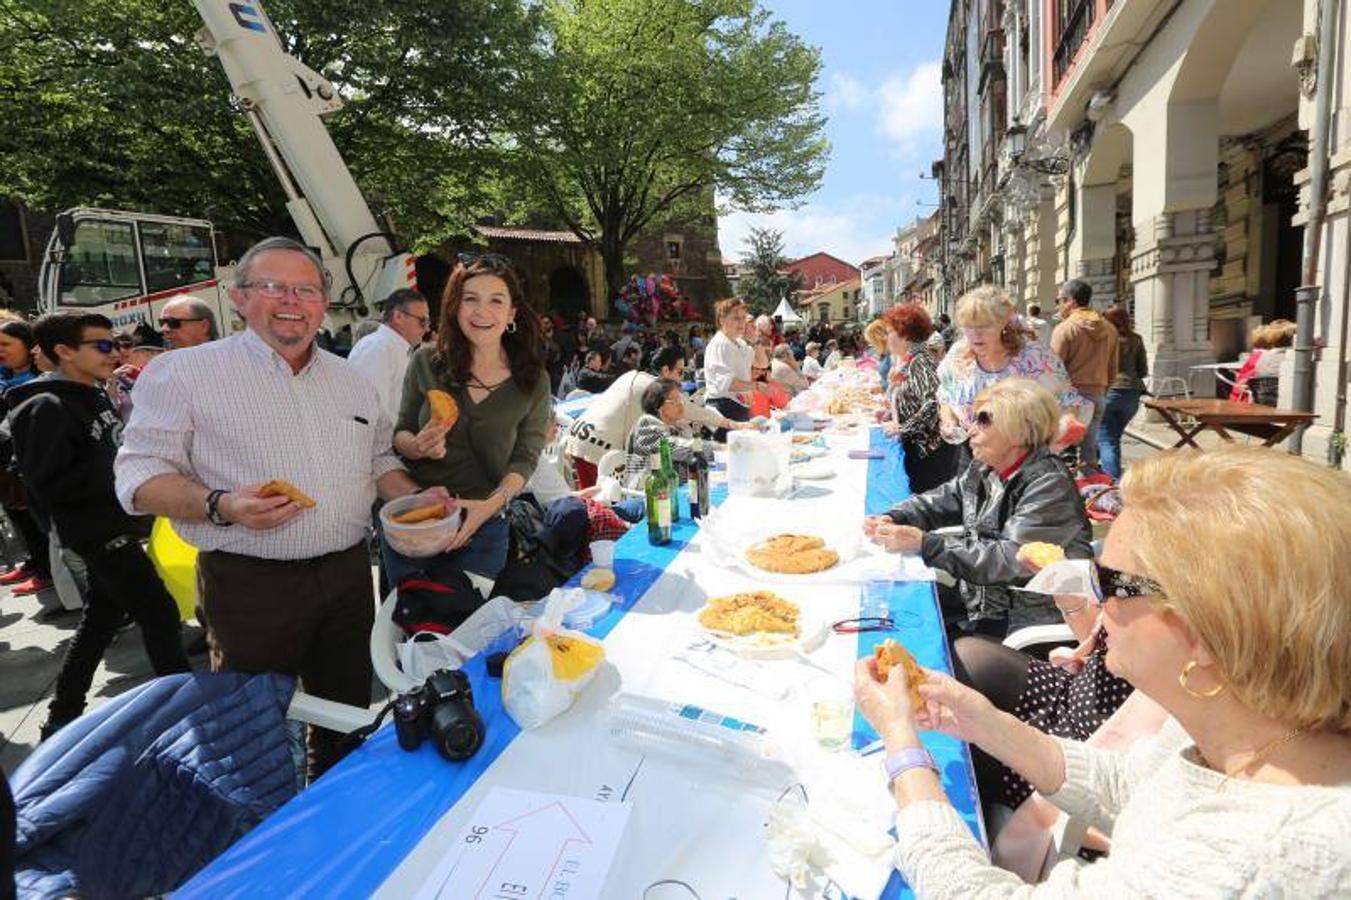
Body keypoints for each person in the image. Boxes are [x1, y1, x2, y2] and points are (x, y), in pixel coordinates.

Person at [854, 445, 1351, 898]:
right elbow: (1125, 786)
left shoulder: (1245, 860)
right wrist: (976, 719)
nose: (1092, 597)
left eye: (1107, 581)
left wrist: (903, 748)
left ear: (1198, 633)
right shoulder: (1240, 715)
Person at [115, 236, 429, 780]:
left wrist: (417, 500)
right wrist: (219, 504)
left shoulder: (350, 381)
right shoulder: (185, 373)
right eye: (272, 286)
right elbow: (138, 478)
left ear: (323, 301)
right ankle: (259, 839)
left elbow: (379, 460)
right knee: (250, 730)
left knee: (347, 718)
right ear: (238, 298)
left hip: (347, 576)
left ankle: (335, 817)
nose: (291, 300)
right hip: (249, 585)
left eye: (306, 288)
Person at [10, 313, 191, 738]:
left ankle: (62, 714)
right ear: (64, 352)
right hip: (98, 532)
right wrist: (122, 479)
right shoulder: (44, 406)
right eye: (103, 345)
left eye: (116, 343)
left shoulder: (91, 393)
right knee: (160, 613)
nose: (116, 352)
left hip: (115, 524)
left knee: (102, 619)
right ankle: (183, 708)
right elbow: (49, 483)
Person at [865, 378, 1093, 638]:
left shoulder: (1049, 483)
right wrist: (895, 516)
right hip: (981, 598)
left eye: (983, 420)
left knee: (916, 637)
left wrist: (926, 544)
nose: (971, 429)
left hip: (1026, 619)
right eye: (973, 419)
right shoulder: (986, 466)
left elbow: (1010, 560)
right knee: (892, 605)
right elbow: (945, 498)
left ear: (1019, 431)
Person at [389, 253, 550, 587]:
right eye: (471, 299)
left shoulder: (533, 379)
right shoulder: (426, 362)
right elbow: (400, 432)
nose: (482, 312)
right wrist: (417, 446)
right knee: (409, 630)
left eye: (496, 300)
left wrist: (489, 508)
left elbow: (526, 456)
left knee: (473, 630)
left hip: (486, 525)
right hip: (418, 521)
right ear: (455, 308)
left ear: (511, 314)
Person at [937, 286, 1088, 470]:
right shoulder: (958, 356)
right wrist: (949, 421)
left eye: (985, 325)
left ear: (1003, 322)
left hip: (1021, 461)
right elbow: (945, 396)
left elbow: (1067, 400)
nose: (975, 334)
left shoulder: (1033, 356)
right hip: (972, 457)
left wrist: (1065, 426)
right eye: (969, 326)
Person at [562, 346, 739, 488]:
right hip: (594, 444)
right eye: (679, 372)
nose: (682, 377)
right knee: (598, 499)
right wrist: (732, 428)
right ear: (665, 370)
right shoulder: (652, 393)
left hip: (583, 433)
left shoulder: (639, 378)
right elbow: (690, 414)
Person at [880, 303, 959, 494]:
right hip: (922, 449)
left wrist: (903, 429)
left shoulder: (920, 362)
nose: (886, 337)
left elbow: (933, 404)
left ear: (904, 335)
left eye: (889, 332)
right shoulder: (913, 359)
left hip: (929, 454)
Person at [0, 319, 52, 596]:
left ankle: (46, 570)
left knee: (33, 514)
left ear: (28, 345)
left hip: (27, 459)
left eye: (6, 344)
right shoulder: (4, 377)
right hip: (5, 461)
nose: (0, 351)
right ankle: (34, 562)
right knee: (16, 512)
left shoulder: (37, 380)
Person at [1050, 279, 1117, 469]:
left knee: (1060, 452)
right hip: (1097, 395)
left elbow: (1054, 370)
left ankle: (1065, 493)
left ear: (1070, 301)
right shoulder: (1110, 329)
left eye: (1060, 300)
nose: (1059, 306)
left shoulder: (1065, 329)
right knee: (1089, 455)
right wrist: (1102, 390)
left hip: (1068, 398)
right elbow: (1113, 367)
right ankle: (1092, 491)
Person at [346, 288, 430, 426]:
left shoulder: (393, 349)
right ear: (398, 317)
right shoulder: (378, 349)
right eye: (423, 321)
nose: (427, 329)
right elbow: (367, 415)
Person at [1098, 305, 1148, 480]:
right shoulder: (1136, 339)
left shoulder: (1104, 340)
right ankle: (1114, 476)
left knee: (1107, 439)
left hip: (1109, 390)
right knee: (1113, 438)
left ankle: (1112, 482)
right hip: (1132, 394)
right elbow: (1143, 371)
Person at [621, 379, 699, 492]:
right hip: (646, 497)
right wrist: (717, 448)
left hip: (670, 492)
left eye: (680, 399)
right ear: (658, 405)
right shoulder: (647, 425)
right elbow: (678, 448)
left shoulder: (675, 426)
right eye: (675, 400)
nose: (681, 405)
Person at [703, 298, 763, 440]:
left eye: (743, 318)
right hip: (724, 409)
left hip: (737, 407)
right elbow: (728, 383)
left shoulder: (740, 343)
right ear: (722, 320)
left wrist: (755, 341)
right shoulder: (720, 344)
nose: (741, 323)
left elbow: (762, 363)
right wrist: (756, 386)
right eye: (736, 318)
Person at [748, 344, 789, 419]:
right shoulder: (739, 381)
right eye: (755, 368)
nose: (759, 372)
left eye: (763, 369)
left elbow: (781, 404)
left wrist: (771, 382)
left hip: (764, 425)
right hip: (746, 426)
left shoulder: (766, 382)